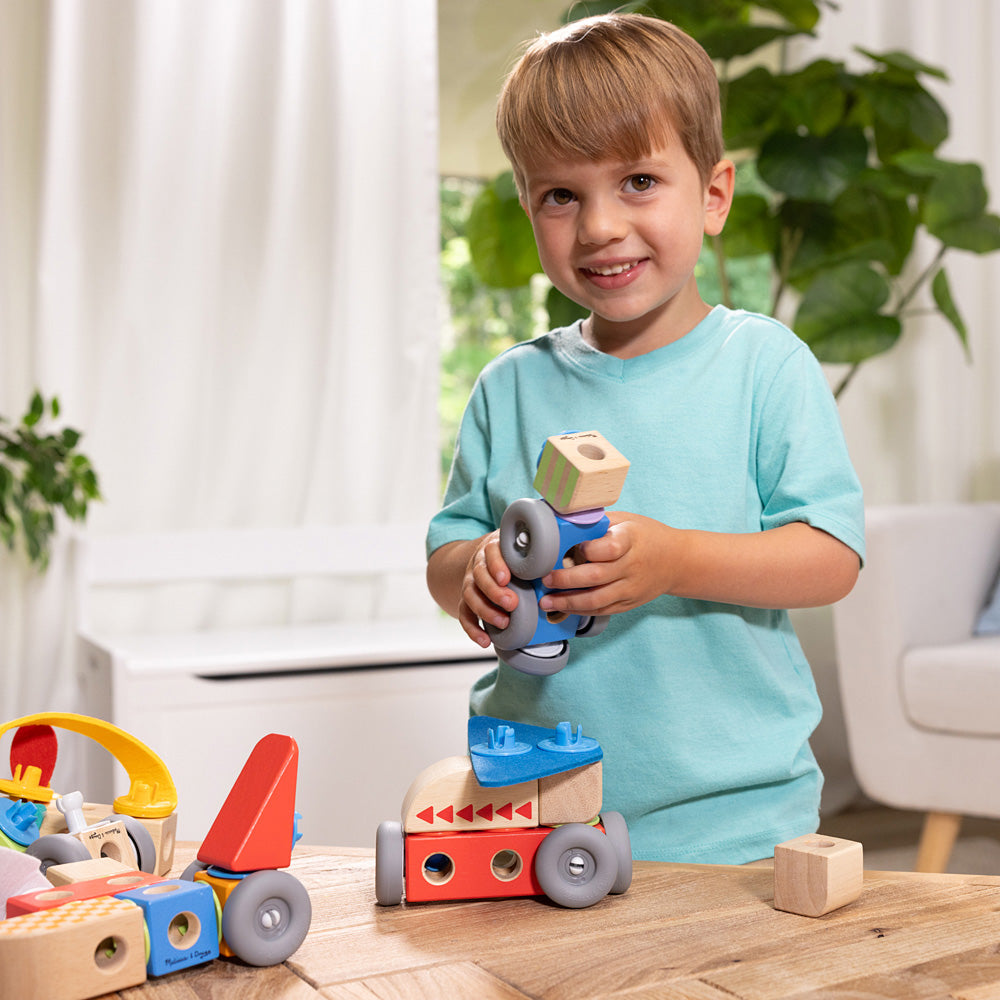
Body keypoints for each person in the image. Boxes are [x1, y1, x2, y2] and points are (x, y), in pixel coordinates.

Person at [425, 13, 865, 864]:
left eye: (637, 181)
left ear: (713, 195)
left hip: (732, 821)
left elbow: (830, 559)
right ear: (528, 205)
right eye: (561, 195)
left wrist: (676, 561)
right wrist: (472, 570)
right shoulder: (509, 386)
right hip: (534, 806)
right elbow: (447, 553)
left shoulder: (763, 365)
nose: (598, 226)